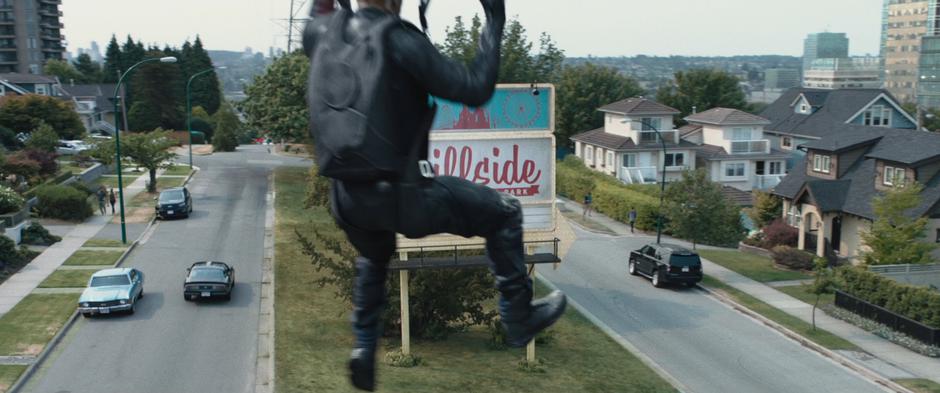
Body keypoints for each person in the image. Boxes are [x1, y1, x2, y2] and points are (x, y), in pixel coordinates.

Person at [304, 0, 567, 391]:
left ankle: (363, 346)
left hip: (347, 202)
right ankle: (518, 315)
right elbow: (476, 88)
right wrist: (494, 20)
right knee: (504, 213)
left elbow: (317, 10)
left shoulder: (322, 33)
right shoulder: (400, 42)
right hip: (404, 197)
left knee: (373, 255)